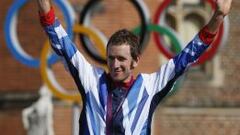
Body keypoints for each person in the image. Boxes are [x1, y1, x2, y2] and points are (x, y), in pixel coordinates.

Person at [36, 0, 232, 134]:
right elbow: (61, 42)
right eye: (111, 58)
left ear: (135, 60)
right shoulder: (92, 80)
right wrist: (44, 5)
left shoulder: (150, 86)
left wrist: (218, 17)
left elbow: (187, 56)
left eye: (121, 59)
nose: (115, 64)